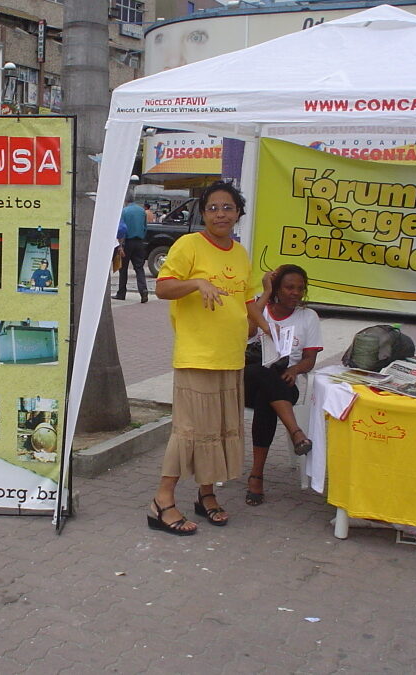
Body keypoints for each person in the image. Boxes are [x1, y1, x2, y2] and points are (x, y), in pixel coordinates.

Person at [147, 181, 253, 535]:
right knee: (190, 431)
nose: (221, 214)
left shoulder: (240, 252)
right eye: (213, 208)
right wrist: (196, 283)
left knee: (219, 430)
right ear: (203, 213)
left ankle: (206, 495)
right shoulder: (188, 245)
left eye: (228, 207)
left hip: (231, 355)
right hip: (197, 355)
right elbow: (163, 288)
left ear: (238, 212)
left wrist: (264, 317)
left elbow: (246, 302)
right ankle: (162, 500)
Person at [243, 265, 321, 506]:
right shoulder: (258, 308)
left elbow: (309, 360)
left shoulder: (309, 317)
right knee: (260, 371)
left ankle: (256, 476)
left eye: (300, 288)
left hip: (285, 383)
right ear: (277, 288)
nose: (295, 293)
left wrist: (295, 369)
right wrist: (265, 293)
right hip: (249, 383)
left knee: (268, 396)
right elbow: (247, 331)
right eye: (288, 287)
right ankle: (296, 432)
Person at [113, 195, 149, 303]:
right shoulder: (142, 211)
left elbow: (121, 229)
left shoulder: (124, 211)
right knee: (139, 268)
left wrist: (120, 245)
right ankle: (143, 290)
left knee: (123, 269)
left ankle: (121, 293)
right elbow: (145, 227)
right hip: (139, 242)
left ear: (125, 200)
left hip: (127, 242)